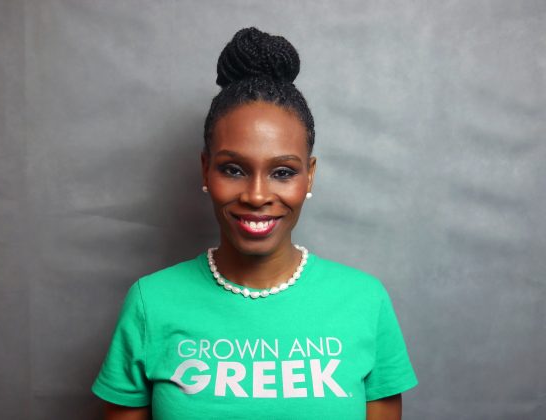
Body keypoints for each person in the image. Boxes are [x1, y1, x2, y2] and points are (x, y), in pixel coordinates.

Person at [92, 27, 418, 420]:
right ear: (205, 170)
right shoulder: (151, 302)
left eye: (283, 172)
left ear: (309, 176)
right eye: (233, 169)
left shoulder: (364, 301)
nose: (257, 195)